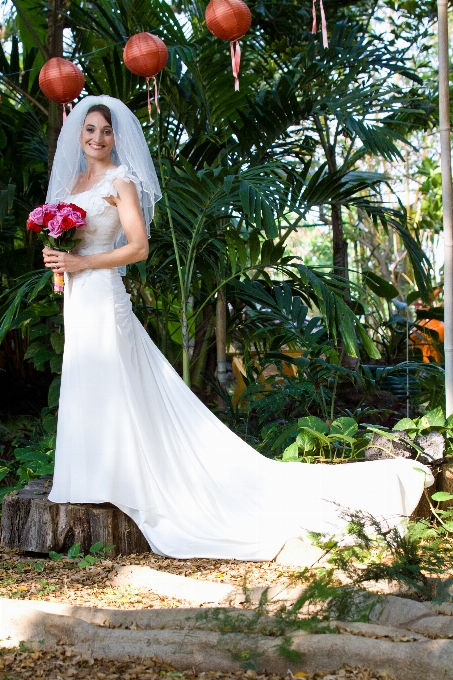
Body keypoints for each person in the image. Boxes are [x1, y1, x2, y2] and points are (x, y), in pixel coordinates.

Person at [44, 95, 433, 561]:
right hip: (79, 296)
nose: (96, 138)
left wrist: (83, 261)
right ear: (79, 134)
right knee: (87, 377)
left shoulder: (120, 181)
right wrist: (59, 266)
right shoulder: (72, 181)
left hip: (104, 292)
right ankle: (88, 475)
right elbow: (61, 237)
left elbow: (139, 248)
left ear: (116, 137)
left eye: (105, 131)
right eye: (89, 130)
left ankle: (124, 476)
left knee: (116, 381)